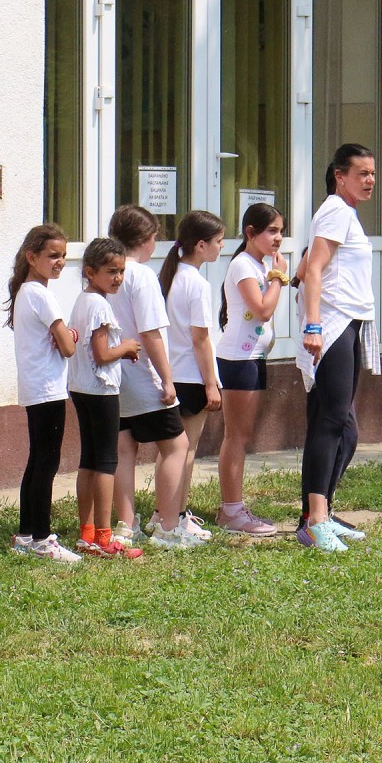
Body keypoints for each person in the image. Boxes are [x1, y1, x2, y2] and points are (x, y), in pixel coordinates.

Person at [297, 144, 380, 552]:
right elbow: (314, 269)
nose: (369, 180)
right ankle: (315, 521)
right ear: (339, 176)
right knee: (331, 422)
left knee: (344, 427)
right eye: (361, 173)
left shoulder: (344, 214)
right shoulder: (335, 211)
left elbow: (304, 267)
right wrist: (313, 324)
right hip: (332, 327)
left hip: (348, 325)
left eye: (372, 173)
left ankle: (320, 513)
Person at [107, 205, 194, 550]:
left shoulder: (106, 271)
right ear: (146, 239)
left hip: (112, 376)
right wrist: (167, 379)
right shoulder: (141, 275)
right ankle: (168, 527)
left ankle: (125, 524)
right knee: (176, 445)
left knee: (123, 448)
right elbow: (151, 332)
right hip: (143, 374)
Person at [3, 224, 82, 562]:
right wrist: (71, 335)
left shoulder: (25, 291)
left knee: (37, 459)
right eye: (52, 255)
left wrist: (65, 335)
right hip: (48, 389)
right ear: (31, 257)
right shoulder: (41, 294)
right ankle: (41, 538)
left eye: (63, 255)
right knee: (46, 462)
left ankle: (26, 534)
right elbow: (68, 348)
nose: (60, 261)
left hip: (35, 386)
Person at [68, 238, 143, 559]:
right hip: (101, 390)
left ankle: (87, 534)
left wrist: (119, 350)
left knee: (89, 459)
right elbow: (101, 354)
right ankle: (103, 537)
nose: (118, 278)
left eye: (121, 271)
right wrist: (125, 347)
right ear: (90, 271)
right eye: (111, 271)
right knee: (106, 463)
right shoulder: (99, 305)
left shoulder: (83, 300)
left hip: (81, 387)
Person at [214, 202, 286, 536]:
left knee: (243, 435)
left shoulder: (259, 265)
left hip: (253, 358)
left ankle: (235, 507)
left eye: (281, 231)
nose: (278, 238)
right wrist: (278, 278)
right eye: (272, 231)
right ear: (251, 233)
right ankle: (231, 511)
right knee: (236, 436)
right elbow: (262, 310)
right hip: (238, 360)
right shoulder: (244, 265)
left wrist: (273, 275)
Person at [159, 210, 226, 546]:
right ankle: (177, 514)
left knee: (171, 451)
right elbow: (201, 339)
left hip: (173, 373)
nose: (221, 246)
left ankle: (164, 513)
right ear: (201, 245)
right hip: (192, 376)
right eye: (218, 241)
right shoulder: (197, 284)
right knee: (186, 451)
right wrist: (211, 383)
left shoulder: (170, 277)